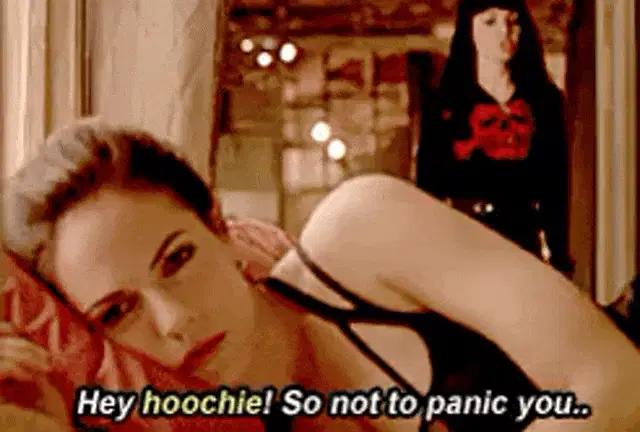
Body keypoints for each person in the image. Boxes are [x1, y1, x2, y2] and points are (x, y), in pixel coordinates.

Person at [1, 120, 639, 432]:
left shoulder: (360, 234)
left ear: (217, 227)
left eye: (177, 259)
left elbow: (618, 384)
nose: (174, 320)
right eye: (118, 312)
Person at [416, 0, 574, 275]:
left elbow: (556, 190)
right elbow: (427, 192)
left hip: (522, 244)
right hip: (463, 244)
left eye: (513, 22)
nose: (504, 32)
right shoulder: (444, 105)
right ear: (469, 29)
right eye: (490, 22)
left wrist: (559, 260)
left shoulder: (544, 102)